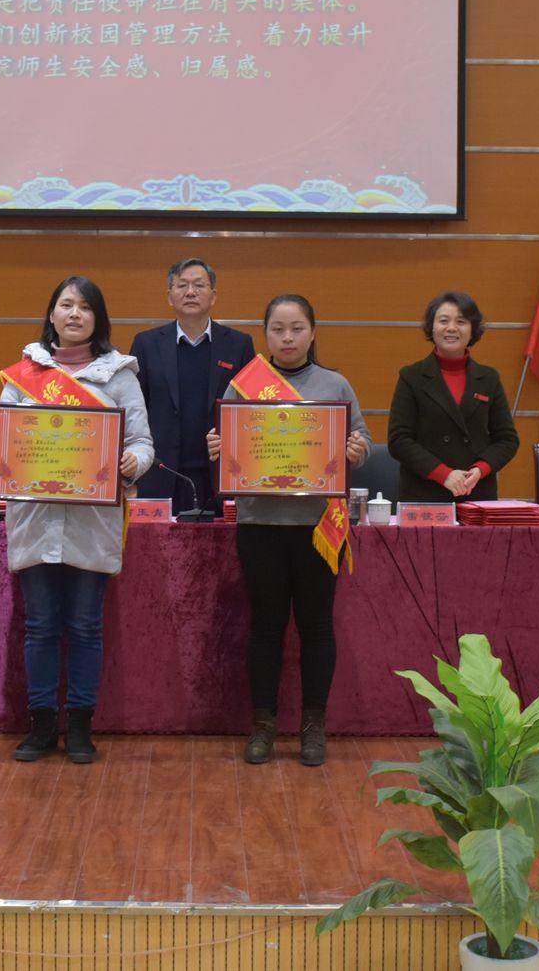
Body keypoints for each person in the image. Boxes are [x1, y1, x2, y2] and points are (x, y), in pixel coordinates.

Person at [0, 276, 154, 766]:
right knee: (39, 626)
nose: (74, 314)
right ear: (52, 314)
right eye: (66, 305)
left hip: (91, 521)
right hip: (36, 519)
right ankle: (41, 725)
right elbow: (6, 440)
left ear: (98, 318)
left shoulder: (119, 375)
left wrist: (133, 463)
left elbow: (143, 443)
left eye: (84, 307)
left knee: (84, 626)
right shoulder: (25, 374)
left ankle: (80, 725)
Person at [205, 295, 368, 767]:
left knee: (317, 627)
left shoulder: (335, 384)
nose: (288, 338)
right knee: (265, 626)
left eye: (297, 328)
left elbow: (362, 442)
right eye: (278, 329)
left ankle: (313, 727)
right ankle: (263, 726)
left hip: (317, 526)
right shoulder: (245, 384)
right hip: (260, 524)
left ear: (312, 332)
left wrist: (357, 450)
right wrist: (219, 447)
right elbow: (229, 448)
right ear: (266, 334)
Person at [128, 257, 255, 514]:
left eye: (199, 285)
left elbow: (250, 413)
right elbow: (134, 412)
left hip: (220, 475)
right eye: (182, 285)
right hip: (161, 474)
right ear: (170, 296)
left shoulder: (239, 345)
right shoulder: (146, 344)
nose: (190, 292)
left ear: (213, 296)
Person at [387, 291, 521, 502]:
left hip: (475, 492)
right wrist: (443, 474)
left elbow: (507, 439)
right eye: (443, 321)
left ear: (472, 329)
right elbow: (399, 440)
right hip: (425, 495)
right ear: (432, 327)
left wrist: (480, 469)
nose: (451, 328)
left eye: (461, 321)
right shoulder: (411, 376)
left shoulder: (489, 378)